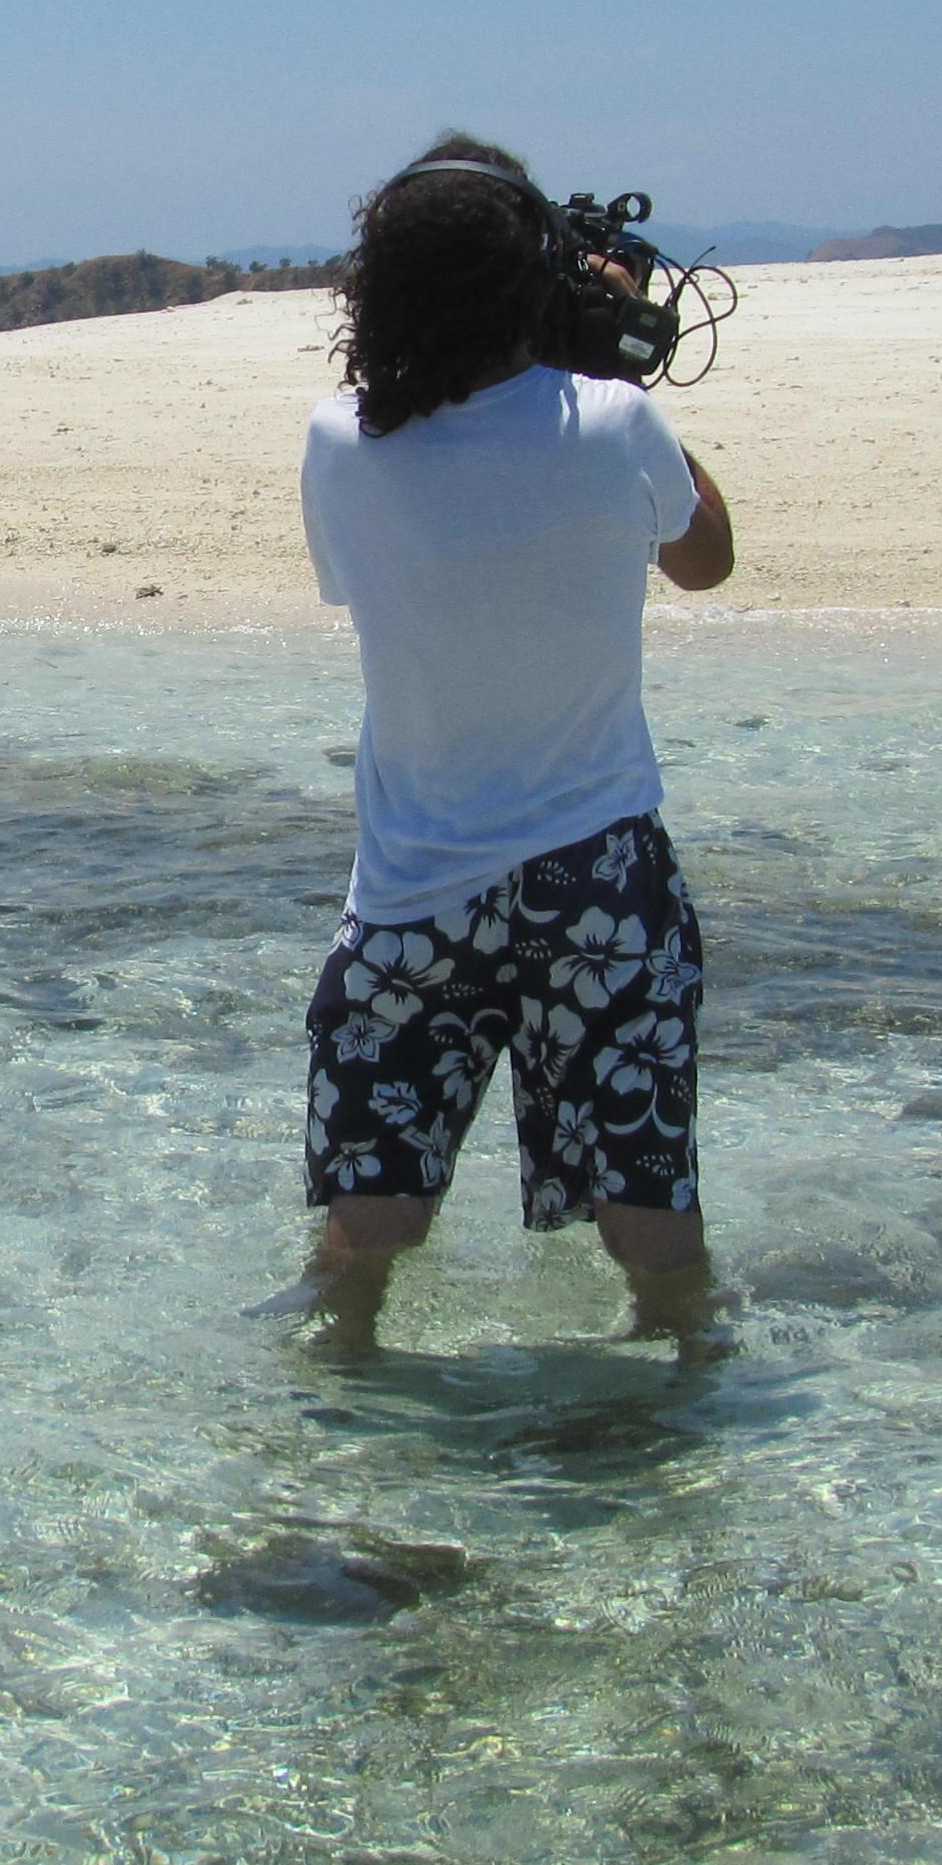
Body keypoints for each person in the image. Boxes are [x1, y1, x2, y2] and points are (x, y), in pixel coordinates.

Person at [256, 133, 743, 1358]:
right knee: (651, 1216)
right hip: (600, 885)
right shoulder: (615, 422)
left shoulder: (338, 442)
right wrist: (603, 361)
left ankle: (337, 1421)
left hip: (416, 887)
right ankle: (687, 1403)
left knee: (363, 1230)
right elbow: (706, 557)